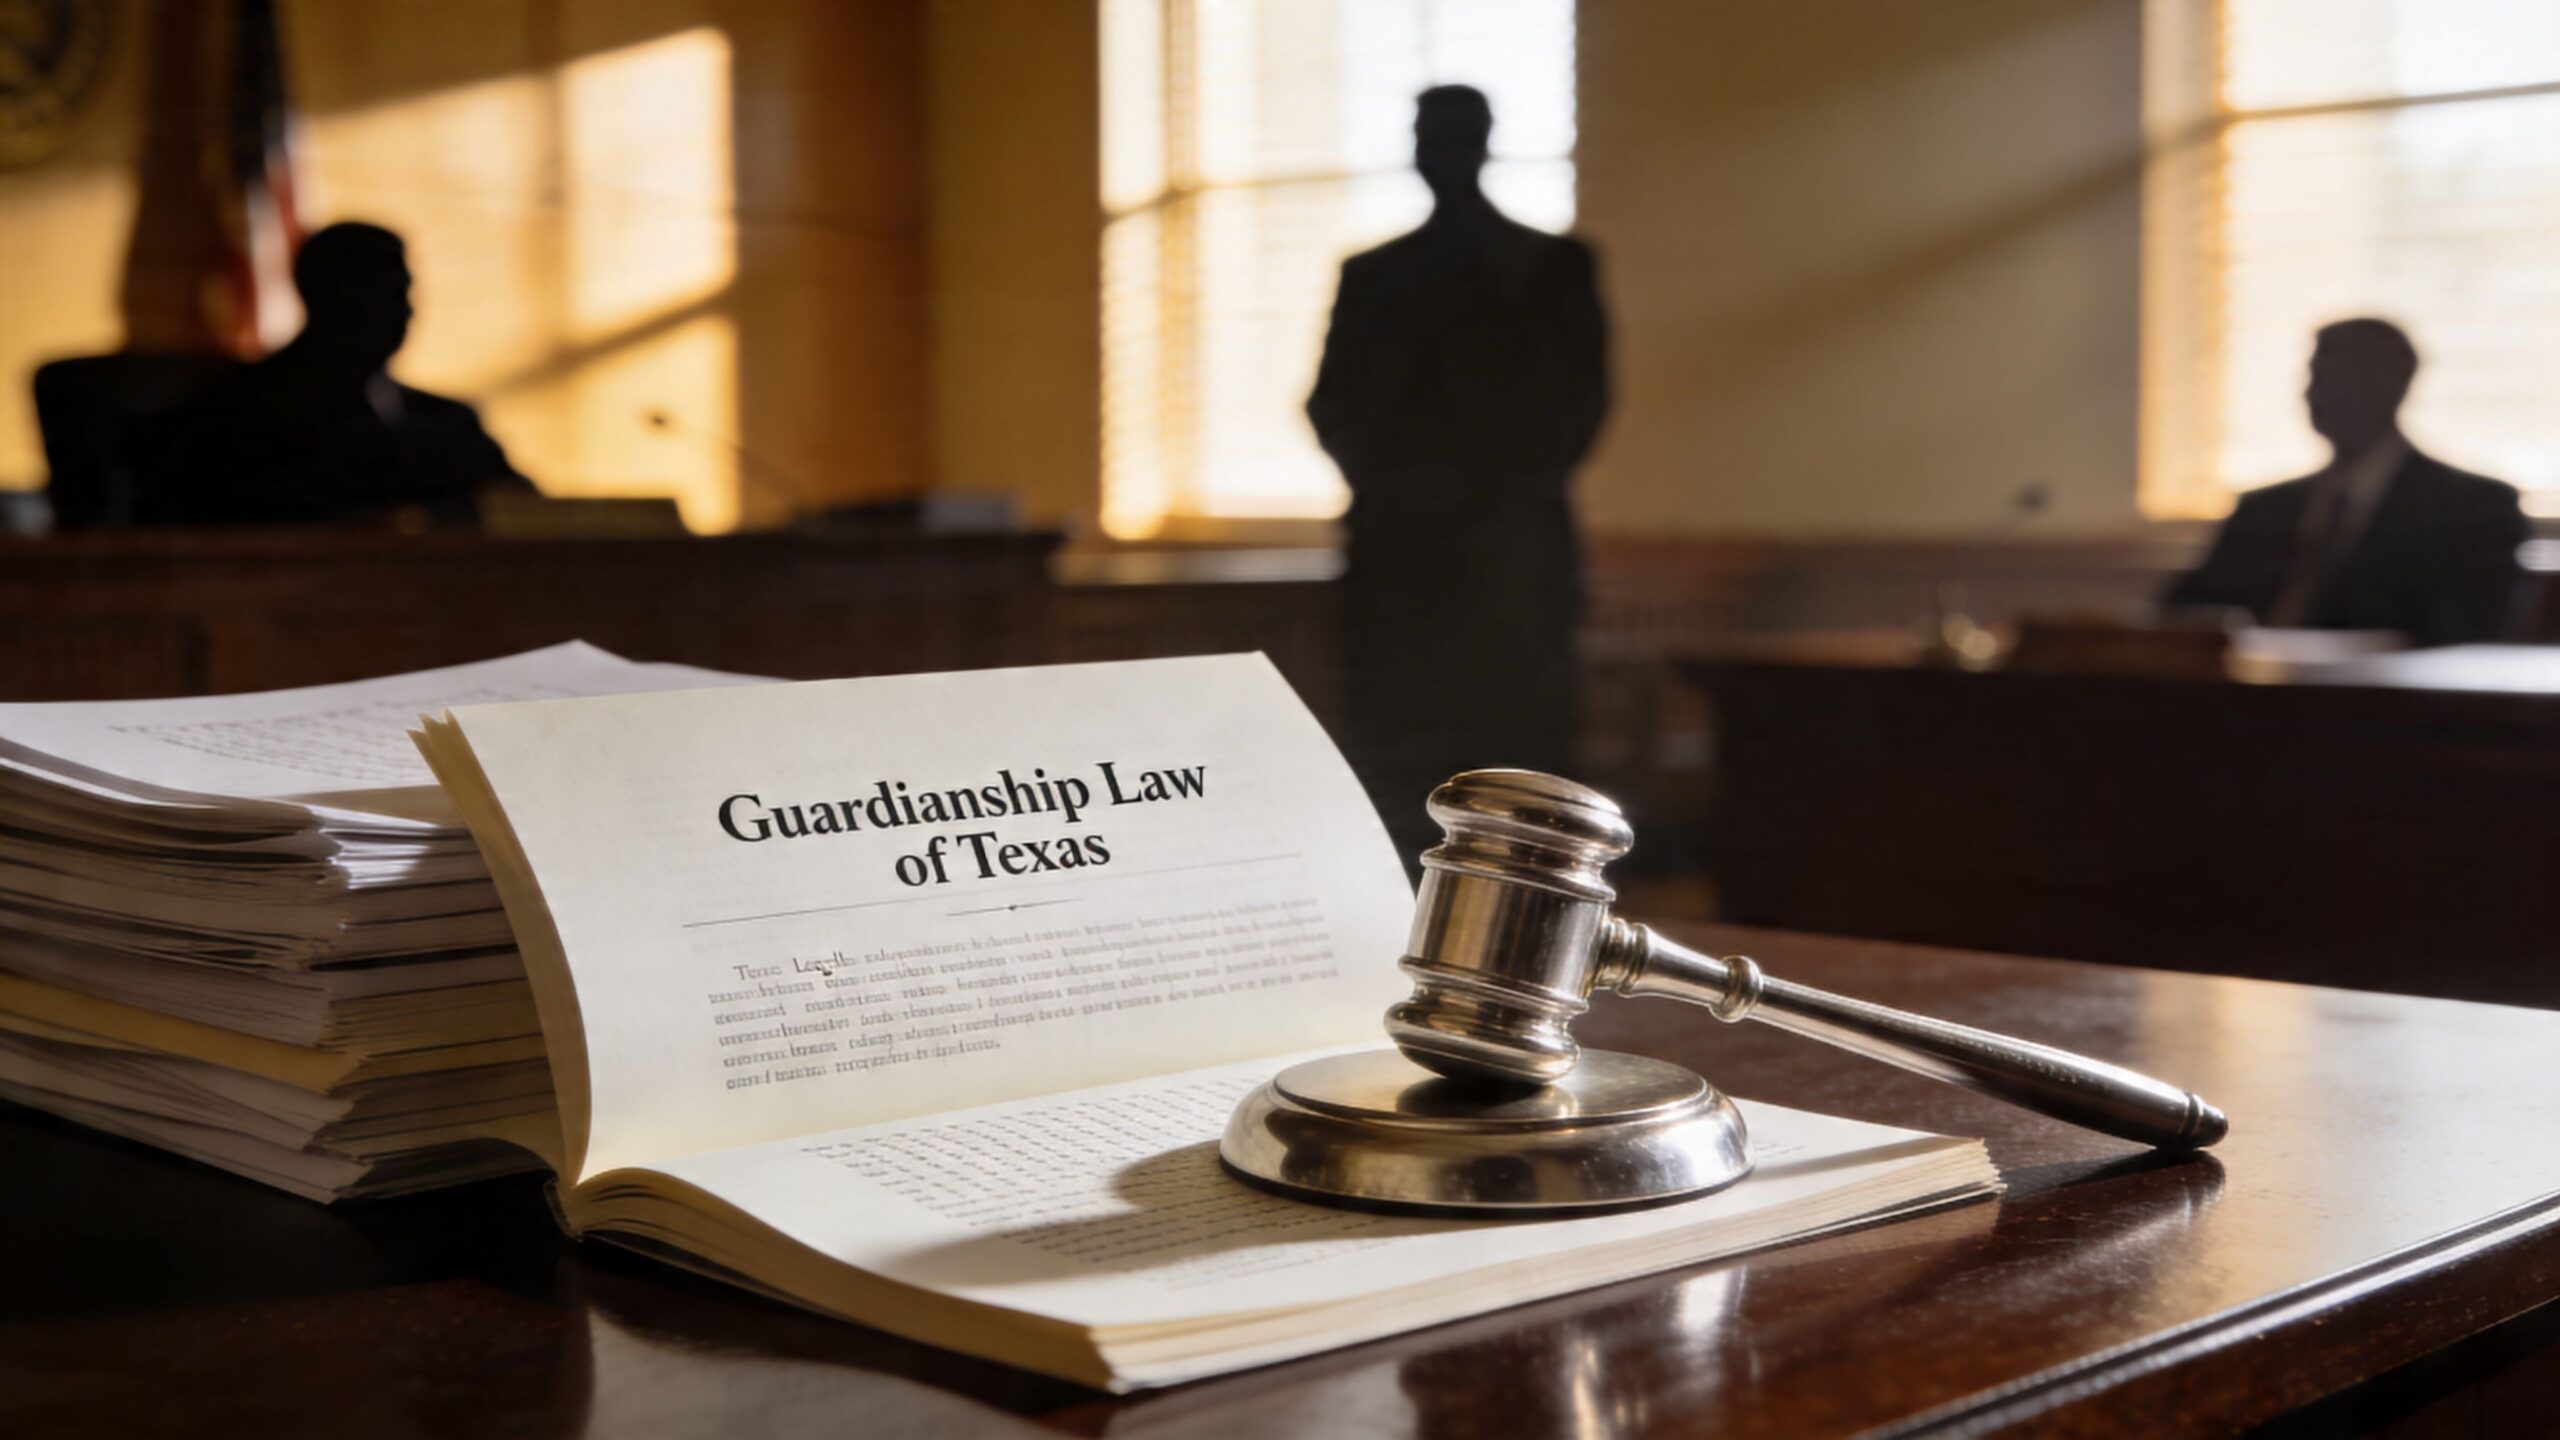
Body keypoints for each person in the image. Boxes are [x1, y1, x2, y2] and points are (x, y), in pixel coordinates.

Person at [1307, 85, 1609, 862]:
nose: (1431, 152)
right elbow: (1334, 405)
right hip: (1414, 560)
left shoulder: (1551, 267)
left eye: (1444, 135)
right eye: (1423, 135)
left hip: (1501, 560)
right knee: (1403, 758)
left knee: (1519, 762)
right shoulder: (1374, 274)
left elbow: (1578, 409)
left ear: (1479, 144)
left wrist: (1447, 496)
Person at [133, 222, 532, 526]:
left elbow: (529, 517)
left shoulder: (447, 424)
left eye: (403, 293)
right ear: (320, 297)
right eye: (375, 295)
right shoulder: (225, 419)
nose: (402, 312)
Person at [2164, 319, 2525, 647]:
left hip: (2383, 706)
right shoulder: (2264, 509)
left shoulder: (2473, 508)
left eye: (2340, 377)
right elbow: (2182, 613)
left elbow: (2465, 632)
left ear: (2395, 385)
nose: (2317, 395)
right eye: (2316, 377)